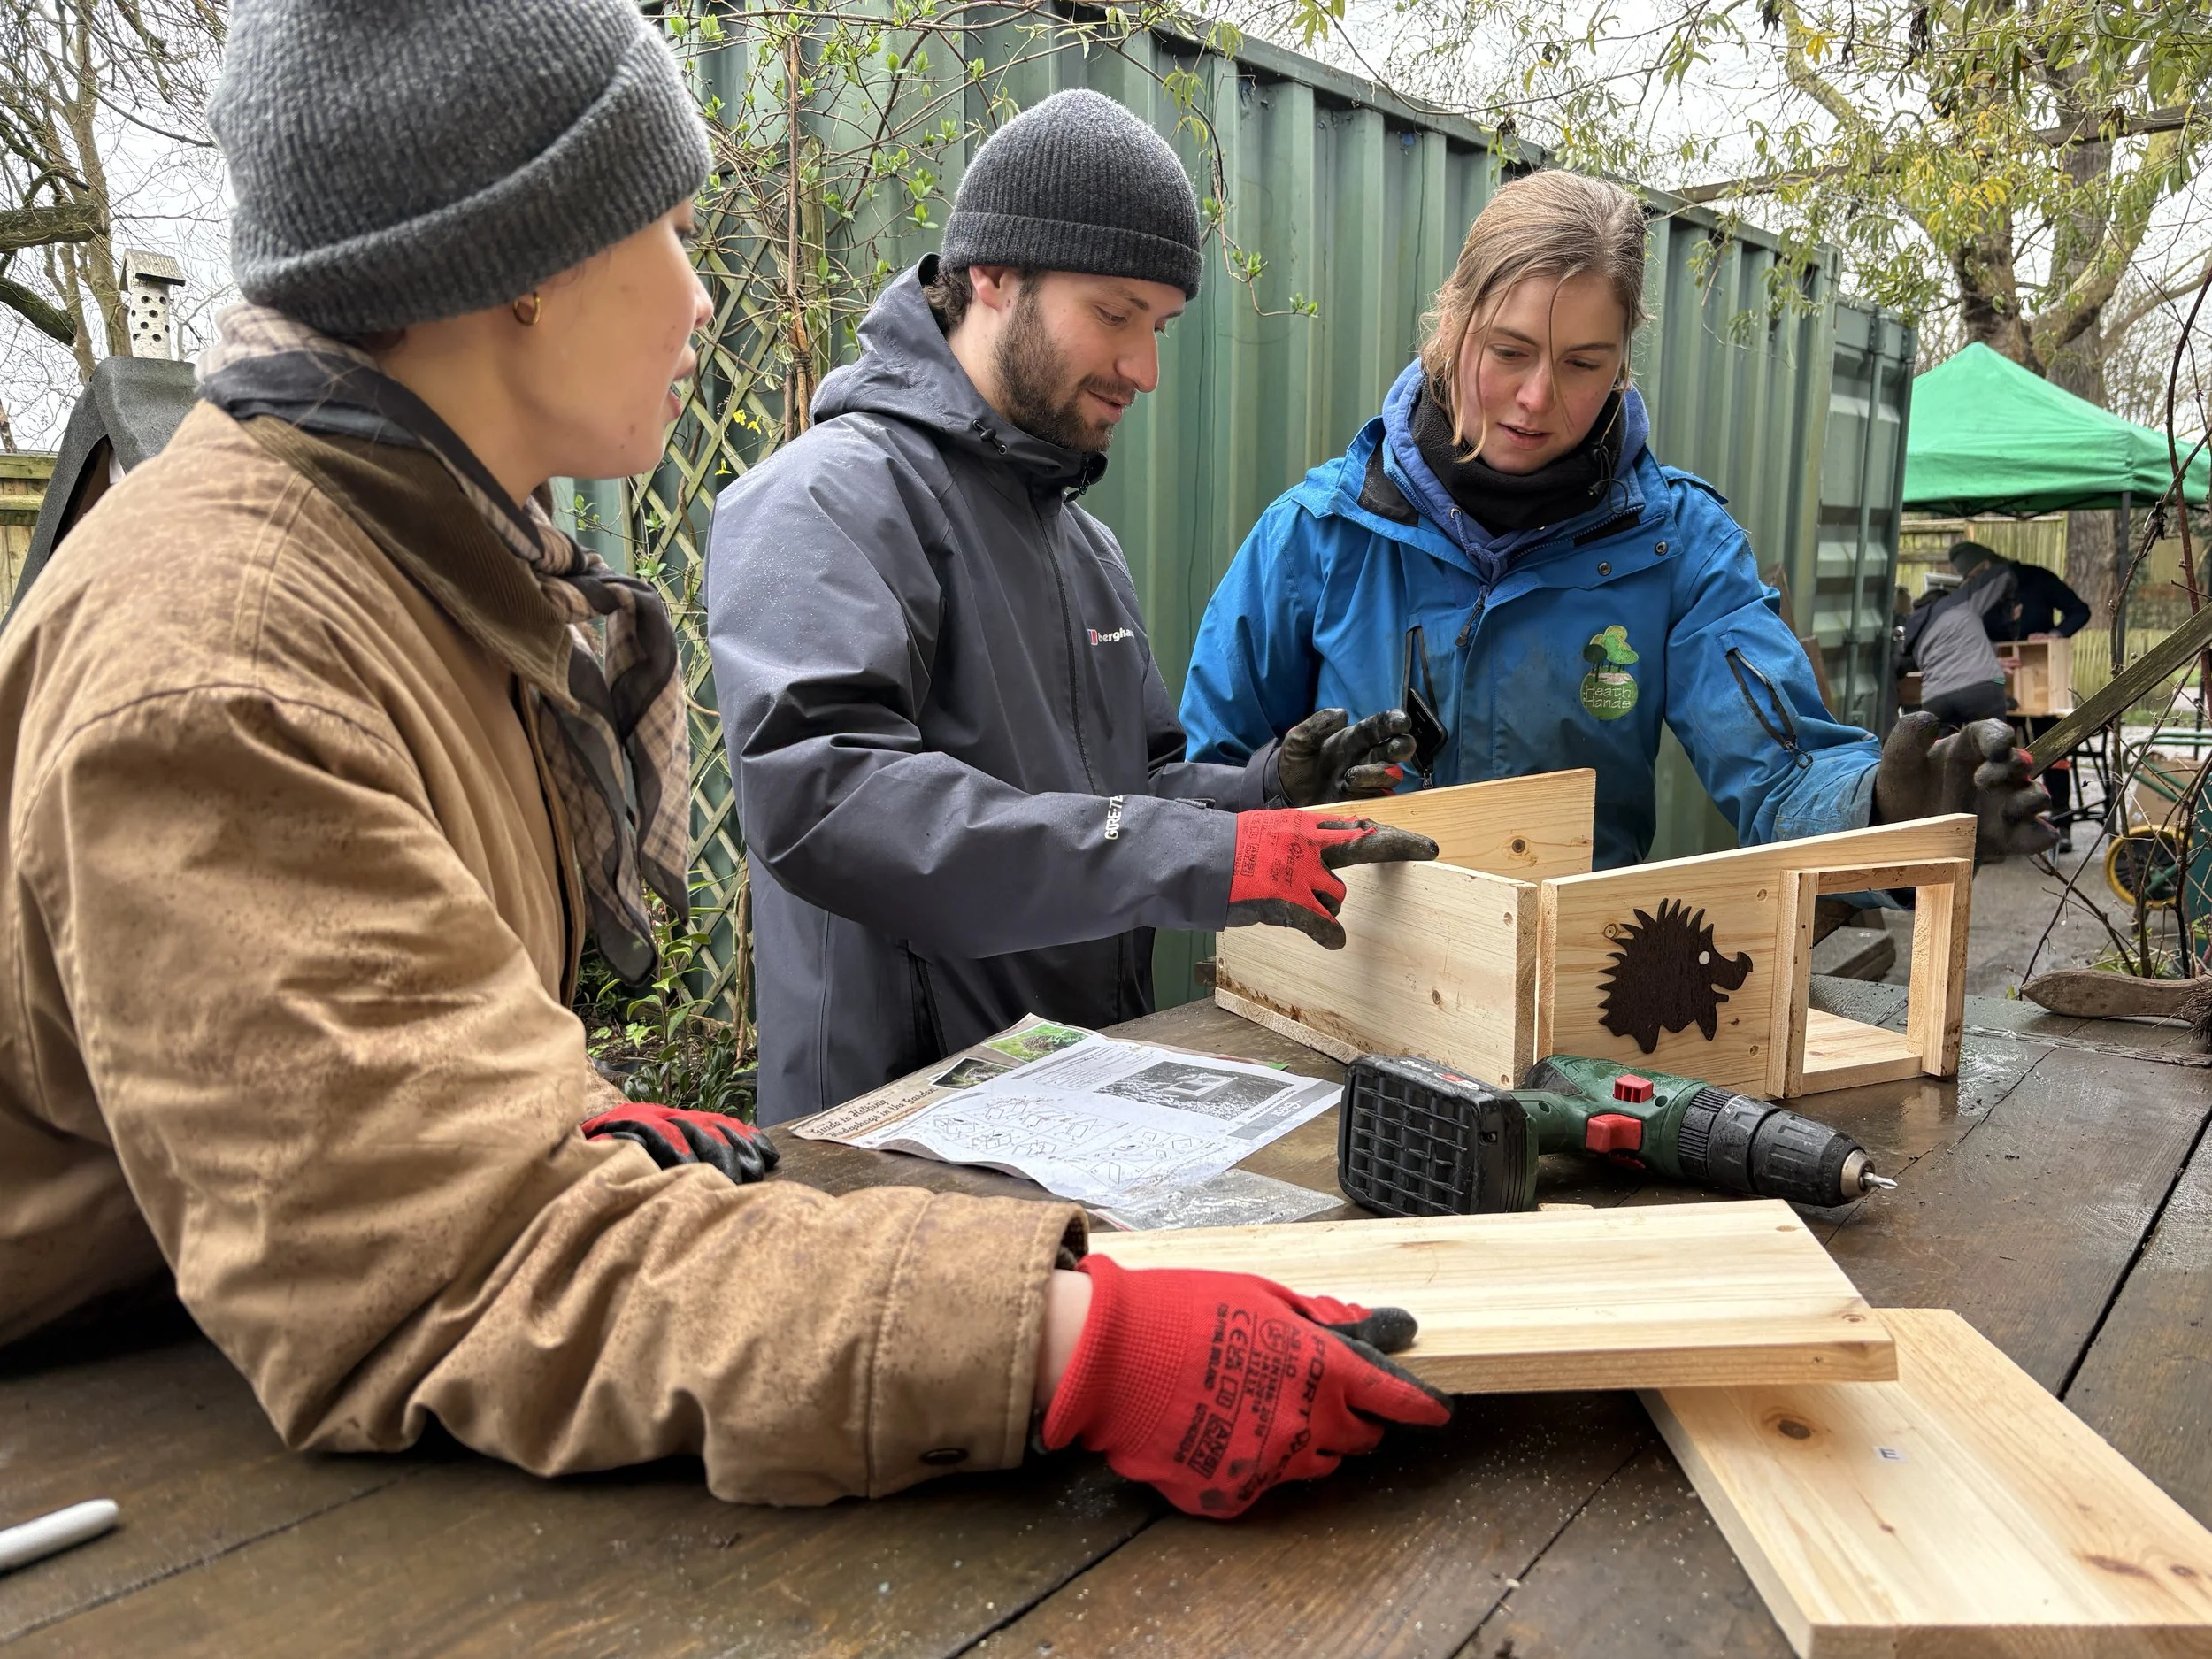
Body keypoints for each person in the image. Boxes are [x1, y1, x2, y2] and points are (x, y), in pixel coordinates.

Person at [0, 1, 1448, 1520]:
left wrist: (540, 1108)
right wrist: (1057, 1343)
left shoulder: (422, 574)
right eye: (677, 230)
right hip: (102, 1444)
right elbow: (461, 1271)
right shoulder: (234, 663)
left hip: (212, 1353)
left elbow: (352, 1087)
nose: (703, 299)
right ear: (525, 267)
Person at [708, 90, 1432, 1125]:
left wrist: (1260, 793)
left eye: (1161, 327)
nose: (1142, 368)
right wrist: (1204, 857)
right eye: (1114, 314)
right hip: (886, 1137)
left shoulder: (1082, 545)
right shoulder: (825, 498)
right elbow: (832, 802)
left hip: (1083, 1105)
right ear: (993, 275)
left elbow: (1121, 792)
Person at [1177, 171, 2054, 872]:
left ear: (1623, 359)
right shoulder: (1317, 537)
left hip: (1561, 997)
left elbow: (1784, 771)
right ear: (1450, 325)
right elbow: (1193, 795)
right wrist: (1266, 803)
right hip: (1335, 981)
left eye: (1581, 364)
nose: (1535, 398)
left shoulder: (1676, 548)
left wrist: (1882, 813)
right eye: (1509, 352)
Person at [1973, 541, 2091, 847]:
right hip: (1999, 681)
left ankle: (2061, 823)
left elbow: (2081, 611)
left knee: (2052, 751)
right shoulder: (1979, 589)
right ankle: (2003, 824)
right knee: (1999, 754)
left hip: (2042, 680)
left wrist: (2055, 634)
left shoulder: (2038, 578)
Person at [1901, 542, 2020, 727]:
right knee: (1994, 747)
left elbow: (1947, 658)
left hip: (1935, 699)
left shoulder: (1914, 631)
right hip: (1981, 688)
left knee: (1937, 753)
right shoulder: (1959, 602)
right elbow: (2002, 573)